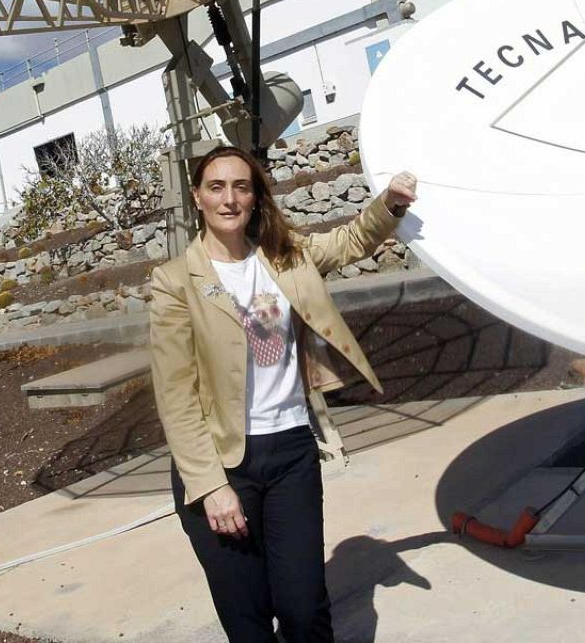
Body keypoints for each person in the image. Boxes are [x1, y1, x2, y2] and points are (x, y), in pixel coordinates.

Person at [149, 144, 417, 643]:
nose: (229, 199)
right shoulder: (174, 284)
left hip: (291, 449)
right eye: (217, 187)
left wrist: (392, 203)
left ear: (255, 197)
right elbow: (176, 397)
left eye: (241, 186)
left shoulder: (283, 255)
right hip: (221, 462)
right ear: (198, 197)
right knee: (248, 622)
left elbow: (350, 240)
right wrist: (211, 486)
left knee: (304, 610)